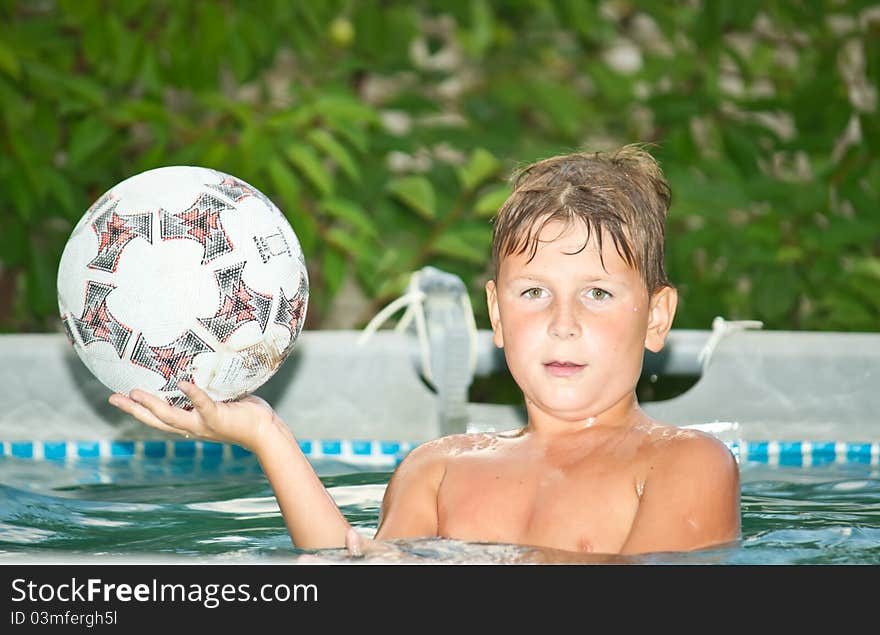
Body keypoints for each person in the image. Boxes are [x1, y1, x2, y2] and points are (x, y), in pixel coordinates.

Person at [108, 144, 741, 561]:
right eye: (534, 293)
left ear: (656, 317)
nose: (562, 323)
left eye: (598, 293)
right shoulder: (437, 470)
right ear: (495, 314)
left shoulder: (685, 466)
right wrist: (266, 435)